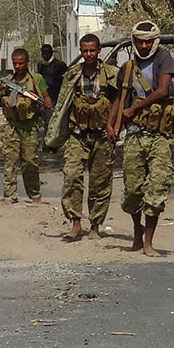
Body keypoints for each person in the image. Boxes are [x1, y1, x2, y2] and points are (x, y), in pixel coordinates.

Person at [110, 20, 174, 256]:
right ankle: (137, 231)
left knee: (159, 185)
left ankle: (149, 240)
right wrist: (112, 125)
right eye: (139, 41)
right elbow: (120, 98)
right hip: (134, 135)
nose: (143, 45)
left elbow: (163, 90)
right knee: (132, 189)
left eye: (147, 41)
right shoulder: (128, 67)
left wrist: (136, 109)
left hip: (158, 135)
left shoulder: (163, 59)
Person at [57, 34, 120, 240]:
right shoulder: (73, 75)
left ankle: (95, 225)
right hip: (77, 135)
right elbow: (62, 106)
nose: (88, 54)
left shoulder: (111, 74)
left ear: (99, 50)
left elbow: (121, 101)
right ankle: (76, 223)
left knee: (100, 181)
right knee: (72, 175)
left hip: (102, 136)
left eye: (92, 50)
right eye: (85, 51)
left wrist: (115, 128)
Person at [0, 48, 52, 203]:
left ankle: (34, 195)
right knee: (10, 162)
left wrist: (45, 103)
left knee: (30, 162)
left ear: (27, 62)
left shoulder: (36, 79)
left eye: (21, 63)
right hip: (12, 126)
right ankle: (10, 195)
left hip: (30, 127)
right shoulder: (8, 80)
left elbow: (47, 99)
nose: (18, 66)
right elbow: (2, 103)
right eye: (15, 63)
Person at [37, 43, 68, 144]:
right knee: (47, 121)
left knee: (52, 121)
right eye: (43, 53)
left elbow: (67, 79)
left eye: (47, 53)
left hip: (56, 96)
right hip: (44, 97)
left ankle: (51, 142)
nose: (45, 55)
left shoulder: (59, 64)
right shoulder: (41, 65)